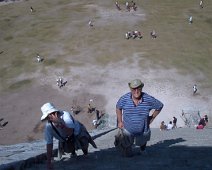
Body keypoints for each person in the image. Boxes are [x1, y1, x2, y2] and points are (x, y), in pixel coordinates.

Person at [40, 103, 97, 170]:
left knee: (83, 141)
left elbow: (70, 132)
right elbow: (49, 144)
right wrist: (49, 162)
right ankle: (73, 152)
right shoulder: (49, 127)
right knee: (67, 149)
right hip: (65, 138)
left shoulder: (65, 115)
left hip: (77, 132)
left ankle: (86, 153)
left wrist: (60, 124)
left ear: (54, 113)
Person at [116, 79, 163, 156]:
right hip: (127, 129)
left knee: (143, 142)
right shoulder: (124, 99)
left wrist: (152, 117)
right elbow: (118, 107)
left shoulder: (148, 98)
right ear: (130, 89)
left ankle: (142, 150)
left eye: (138, 88)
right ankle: (128, 149)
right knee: (127, 149)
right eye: (134, 89)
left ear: (142, 88)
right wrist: (120, 121)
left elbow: (160, 105)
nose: (136, 91)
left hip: (143, 129)